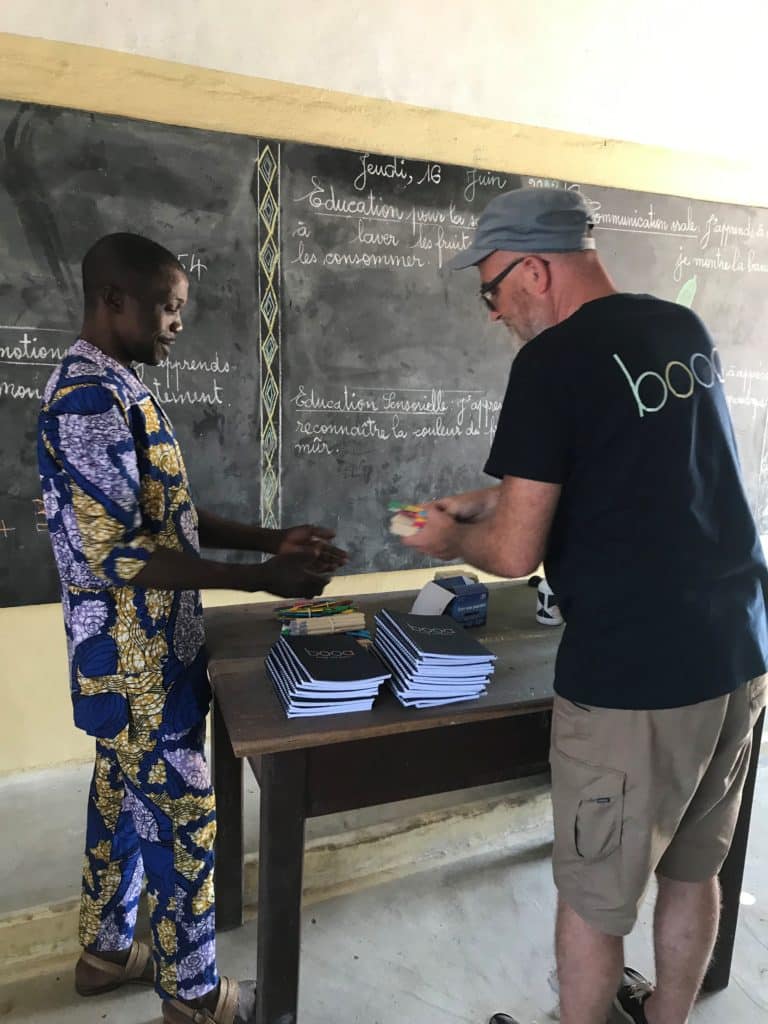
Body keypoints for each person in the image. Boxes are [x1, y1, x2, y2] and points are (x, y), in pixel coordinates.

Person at [401, 188, 768, 1024]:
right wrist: (481, 505)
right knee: (692, 869)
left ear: (534, 268)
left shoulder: (552, 363)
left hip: (635, 678)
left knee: (595, 896)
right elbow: (610, 480)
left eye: (492, 290)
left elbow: (516, 552)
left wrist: (451, 540)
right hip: (739, 652)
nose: (494, 313)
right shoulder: (679, 329)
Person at [38, 232, 346, 1024]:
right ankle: (195, 996)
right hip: (135, 668)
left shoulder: (120, 387)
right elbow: (115, 554)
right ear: (114, 301)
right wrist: (258, 578)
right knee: (184, 818)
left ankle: (106, 954)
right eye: (167, 307)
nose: (179, 322)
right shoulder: (86, 399)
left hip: (148, 660)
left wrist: (269, 540)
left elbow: (168, 516)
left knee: (119, 798)